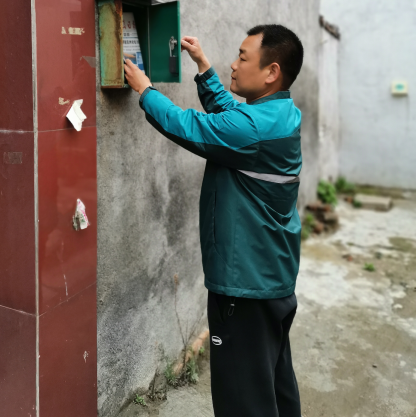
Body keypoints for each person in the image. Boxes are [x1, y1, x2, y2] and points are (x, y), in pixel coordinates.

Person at [124, 24, 304, 417]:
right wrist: (204, 68)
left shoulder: (254, 128)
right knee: (274, 385)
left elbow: (191, 126)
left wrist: (146, 91)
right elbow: (232, 116)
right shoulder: (279, 114)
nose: (233, 65)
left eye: (242, 57)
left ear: (271, 72)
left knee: (243, 400)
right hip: (272, 281)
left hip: (245, 288)